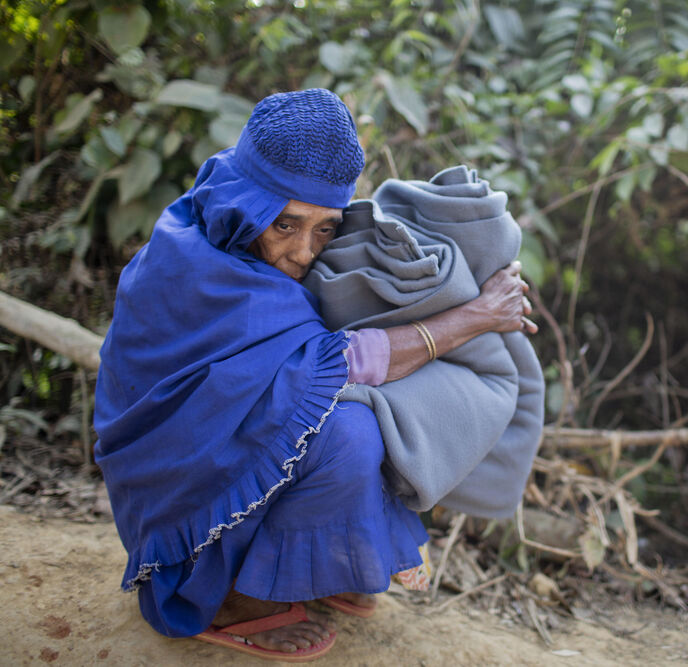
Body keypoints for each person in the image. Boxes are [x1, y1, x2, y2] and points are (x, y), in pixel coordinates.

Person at [94, 88, 537, 661]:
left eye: (325, 229)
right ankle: (227, 595)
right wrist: (472, 317)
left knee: (387, 410)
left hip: (230, 445)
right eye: (285, 226)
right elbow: (332, 364)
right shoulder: (194, 262)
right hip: (177, 488)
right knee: (350, 429)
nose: (305, 252)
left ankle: (316, 572)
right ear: (247, 203)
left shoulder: (250, 241)